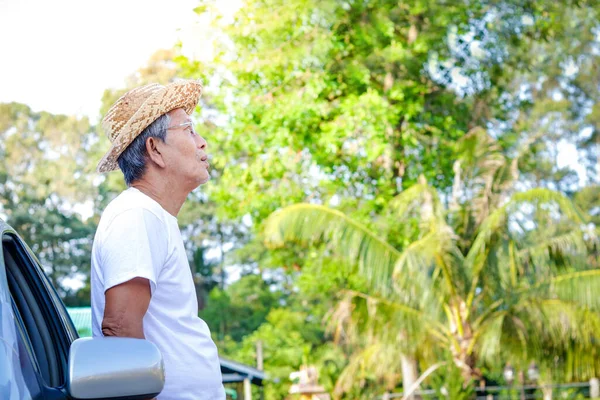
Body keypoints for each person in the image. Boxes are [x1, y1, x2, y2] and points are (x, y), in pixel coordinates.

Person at [90, 80, 225, 400]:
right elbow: (120, 329)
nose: (202, 143)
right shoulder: (137, 215)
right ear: (155, 149)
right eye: (189, 130)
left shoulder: (151, 216)